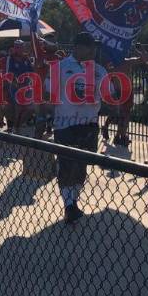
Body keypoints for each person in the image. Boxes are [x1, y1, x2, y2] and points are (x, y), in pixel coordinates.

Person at [49, 32, 109, 225]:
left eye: (94, 47)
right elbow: (49, 93)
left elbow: (109, 95)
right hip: (65, 124)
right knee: (66, 166)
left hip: (89, 124)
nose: (93, 50)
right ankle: (69, 205)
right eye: (89, 46)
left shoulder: (99, 70)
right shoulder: (60, 67)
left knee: (81, 167)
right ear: (78, 47)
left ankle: (72, 200)